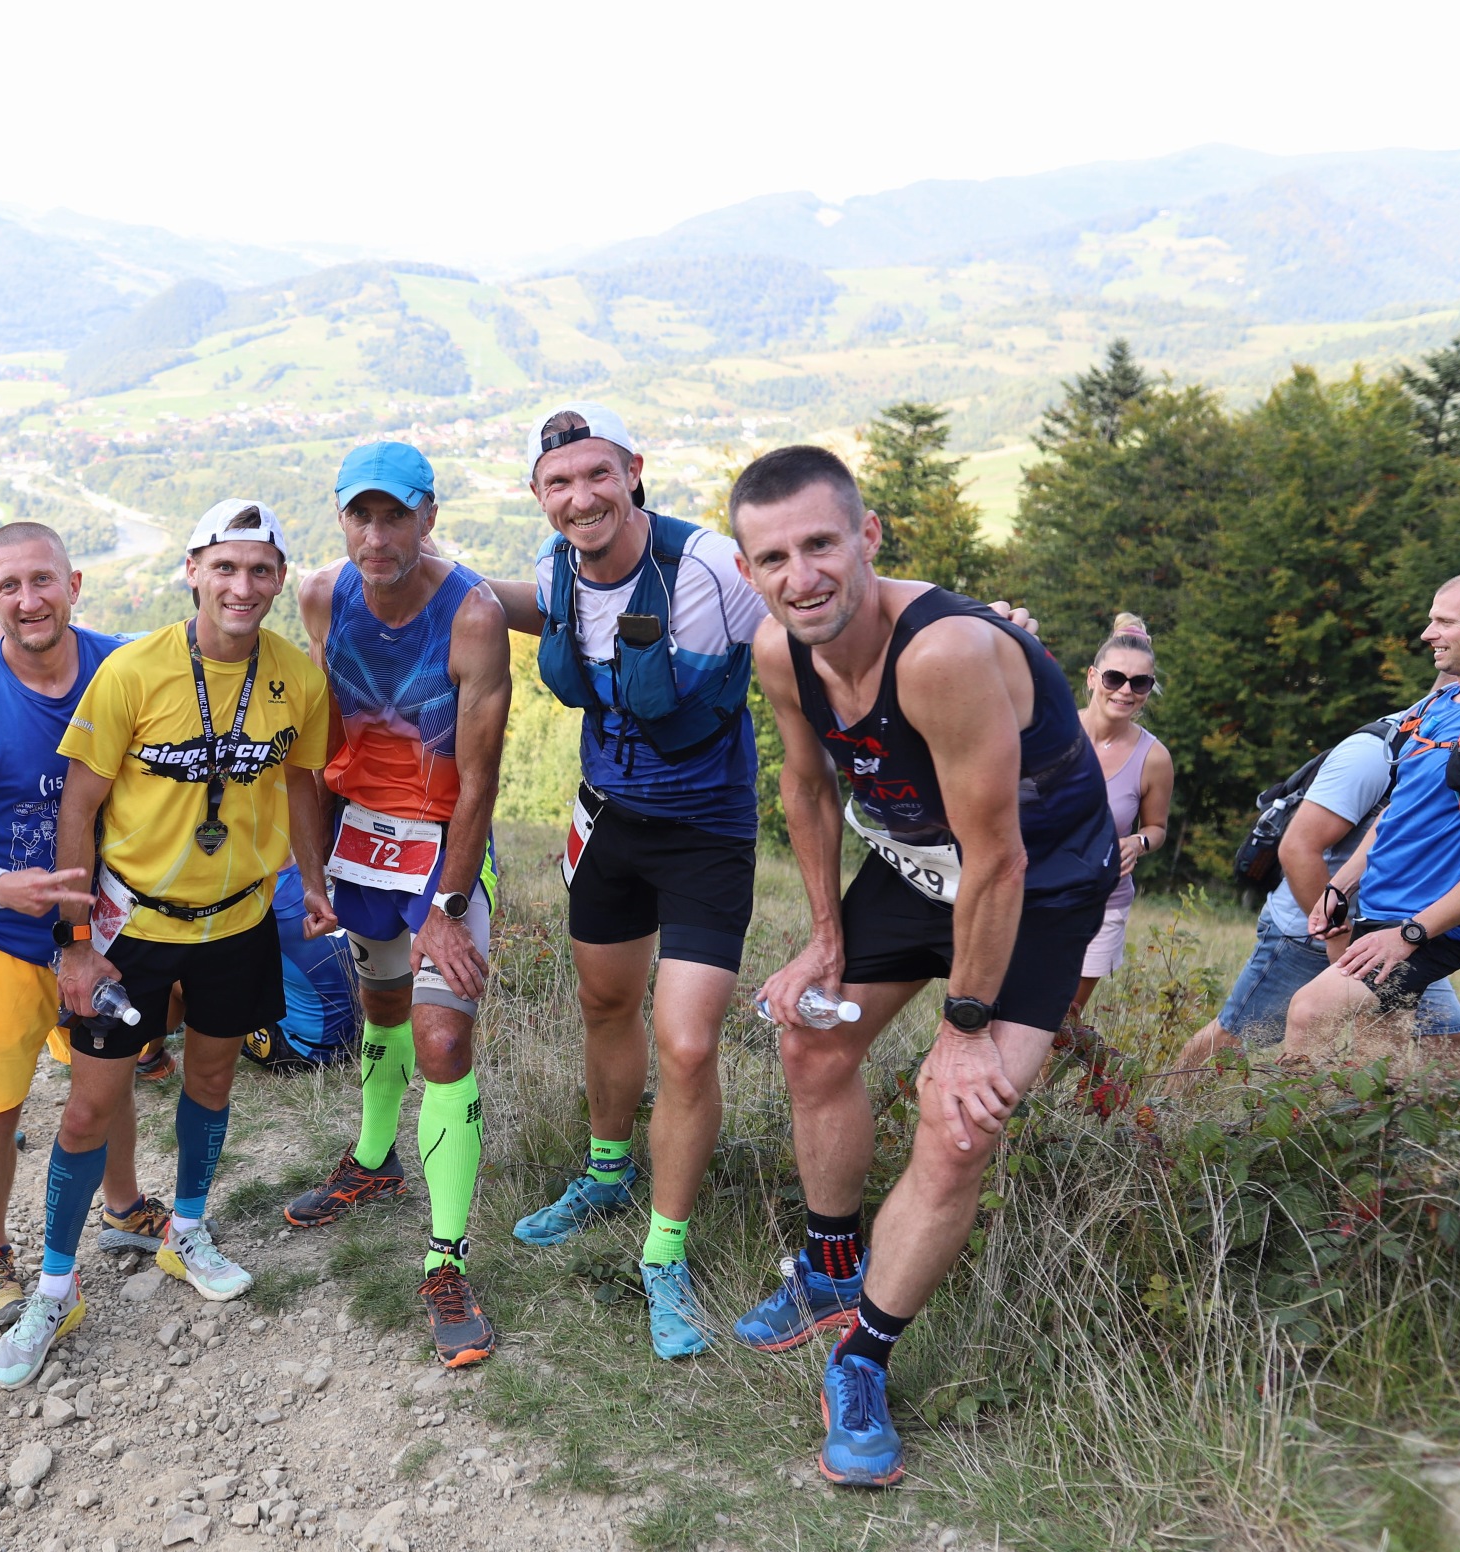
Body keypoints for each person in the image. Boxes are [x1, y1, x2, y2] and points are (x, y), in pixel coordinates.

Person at [735, 444, 1117, 1489]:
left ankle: (863, 1358)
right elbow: (807, 788)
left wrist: (964, 1026)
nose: (802, 576)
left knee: (959, 1122)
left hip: (1036, 885)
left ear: (868, 536)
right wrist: (825, 939)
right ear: (749, 570)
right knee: (812, 1041)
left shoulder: (941, 654)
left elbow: (1000, 859)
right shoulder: (780, 650)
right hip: (915, 864)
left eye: (821, 544)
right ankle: (830, 1268)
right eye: (773, 558)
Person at [0, 499, 334, 1390]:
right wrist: (73, 943)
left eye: (260, 570)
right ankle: (54, 1290)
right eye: (226, 567)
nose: (242, 586)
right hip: (132, 928)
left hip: (239, 921)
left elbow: (301, 782)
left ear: (280, 580)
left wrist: (314, 880)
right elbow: (77, 807)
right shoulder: (134, 672)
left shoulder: (296, 676)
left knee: (212, 1082)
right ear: (193, 571)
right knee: (88, 1111)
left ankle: (186, 1231)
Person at [480, 404, 765, 1361]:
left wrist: (960, 622)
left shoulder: (709, 567)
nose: (581, 497)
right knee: (604, 1005)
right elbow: (531, 606)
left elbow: (817, 612)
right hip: (606, 824)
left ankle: (665, 1252)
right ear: (538, 495)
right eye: (559, 483)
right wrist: (421, 575)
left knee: (687, 1043)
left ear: (633, 470)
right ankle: (607, 1174)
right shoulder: (558, 569)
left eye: (597, 474)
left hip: (706, 835)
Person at [282, 440, 512, 1368]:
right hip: (357, 839)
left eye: (396, 516)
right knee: (381, 1008)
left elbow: (482, 778)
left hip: (441, 845)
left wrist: (448, 904)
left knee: (442, 1039)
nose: (377, 536)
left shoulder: (474, 616)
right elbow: (311, 746)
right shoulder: (320, 595)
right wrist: (311, 873)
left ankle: (446, 1259)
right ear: (342, 518)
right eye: (360, 515)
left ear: (428, 517)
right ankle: (375, 1161)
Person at [0, 522, 171, 1334]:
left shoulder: (125, 668)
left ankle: (123, 1207)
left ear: (74, 584)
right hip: (1, 940)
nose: (29, 601)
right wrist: (0, 884)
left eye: (43, 580)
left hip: (107, 932)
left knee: (108, 1080)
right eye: (10, 588)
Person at [1179, 689, 1460, 1069]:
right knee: (1240, 1035)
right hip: (1325, 927)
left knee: (1432, 1039)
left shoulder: (1443, 728)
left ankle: (1342, 1105)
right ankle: (1172, 1097)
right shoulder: (1401, 731)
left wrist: (1406, 933)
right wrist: (1339, 899)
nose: (1431, 646)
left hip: (1410, 926)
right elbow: (1306, 845)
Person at [1287, 575, 1460, 1060]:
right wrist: (1340, 886)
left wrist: (1412, 934)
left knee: (1309, 1011)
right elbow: (1399, 809)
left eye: (1445, 621)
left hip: (1432, 925)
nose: (1427, 634)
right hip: (1381, 912)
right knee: (1377, 1060)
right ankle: (1401, 1113)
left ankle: (1287, 1114)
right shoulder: (1437, 706)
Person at [1064, 617, 1173, 1028]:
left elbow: (1156, 828)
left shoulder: (1154, 758)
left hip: (1102, 904)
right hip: (1032, 896)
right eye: (1115, 678)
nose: (1125, 690)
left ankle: (1050, 1075)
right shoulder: (1052, 734)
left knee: (1062, 1021)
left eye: (1139, 683)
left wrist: (1138, 843)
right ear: (1093, 677)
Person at [243, 862, 361, 1072]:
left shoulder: (259, 896)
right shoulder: (330, 871)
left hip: (305, 1050)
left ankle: (170, 1057)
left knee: (189, 972)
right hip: (366, 1032)